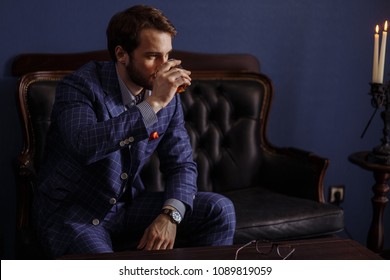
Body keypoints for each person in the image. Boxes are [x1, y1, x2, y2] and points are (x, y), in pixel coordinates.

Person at [33, 4, 236, 258]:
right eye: (153, 56)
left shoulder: (167, 97)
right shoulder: (79, 86)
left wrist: (170, 215)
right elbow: (84, 145)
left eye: (168, 55)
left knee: (220, 209)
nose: (165, 68)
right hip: (76, 214)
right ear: (121, 54)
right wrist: (154, 104)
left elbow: (182, 165)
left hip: (127, 209)